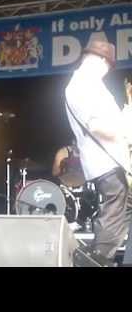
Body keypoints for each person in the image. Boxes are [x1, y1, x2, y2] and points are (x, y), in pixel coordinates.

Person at [65, 40, 132, 261]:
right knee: (114, 209)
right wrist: (125, 132)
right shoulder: (82, 84)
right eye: (108, 66)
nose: (107, 72)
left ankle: (105, 257)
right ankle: (98, 259)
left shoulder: (87, 82)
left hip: (111, 159)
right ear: (101, 61)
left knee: (122, 209)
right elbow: (96, 125)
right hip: (106, 160)